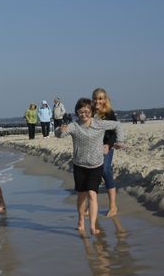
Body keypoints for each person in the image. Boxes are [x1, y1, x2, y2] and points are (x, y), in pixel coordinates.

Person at [55, 98, 124, 235]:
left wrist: (119, 141)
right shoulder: (75, 126)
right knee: (81, 196)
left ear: (92, 112)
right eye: (81, 112)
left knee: (92, 195)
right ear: (77, 112)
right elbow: (60, 135)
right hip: (79, 166)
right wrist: (59, 129)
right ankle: (81, 220)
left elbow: (117, 125)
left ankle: (92, 226)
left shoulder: (99, 124)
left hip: (96, 165)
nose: (84, 114)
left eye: (87, 111)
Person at [92, 88, 119, 217]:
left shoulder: (109, 113)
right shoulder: (89, 112)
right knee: (93, 174)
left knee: (105, 170)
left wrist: (108, 145)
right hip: (92, 148)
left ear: (105, 100)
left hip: (106, 147)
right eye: (96, 98)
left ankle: (113, 206)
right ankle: (92, 206)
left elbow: (114, 132)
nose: (98, 101)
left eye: (100, 98)